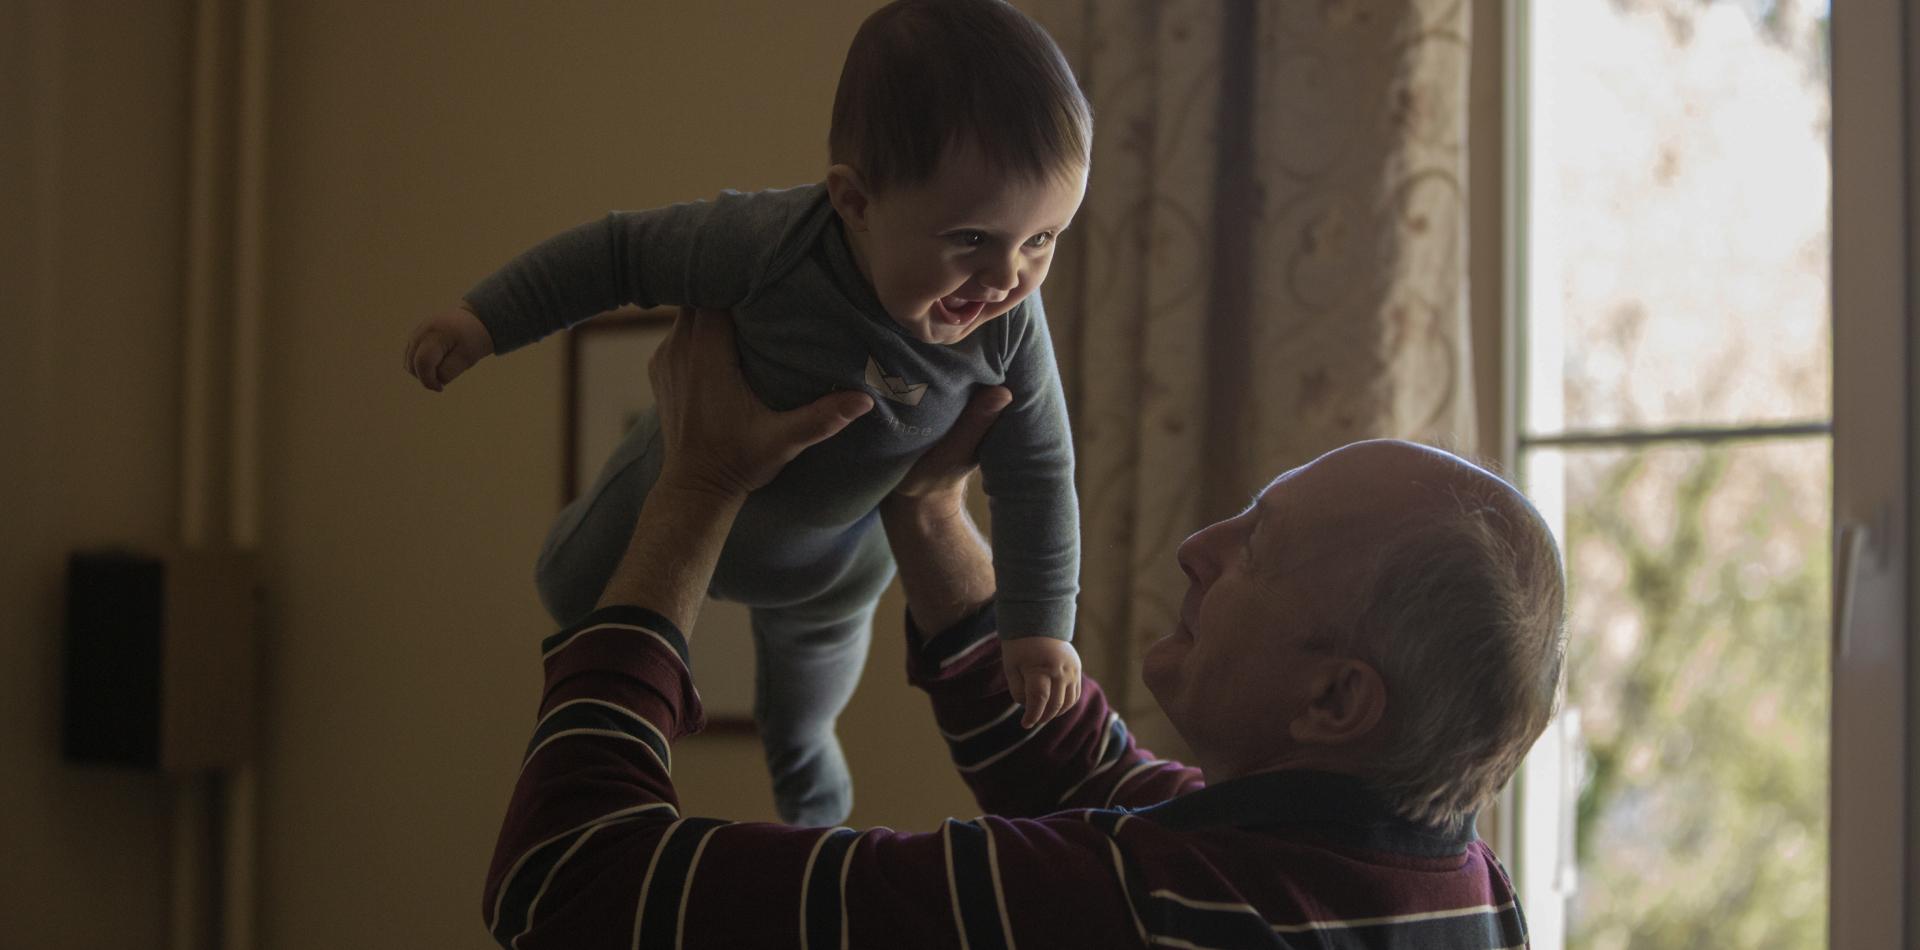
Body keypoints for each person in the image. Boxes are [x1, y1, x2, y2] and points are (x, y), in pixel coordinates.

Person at [481, 308, 1568, 949]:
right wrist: (927, 507)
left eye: (1259, 546)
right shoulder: (1460, 887)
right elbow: (1075, 766)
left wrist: (697, 483)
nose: (1202, 544)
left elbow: (569, 882)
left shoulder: (1136, 904)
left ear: (1336, 699)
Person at [403, 0, 1089, 828]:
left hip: (833, 569)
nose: (1009, 277)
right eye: (972, 237)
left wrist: (1040, 629)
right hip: (673, 485)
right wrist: (481, 321)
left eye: (1044, 239)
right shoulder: (769, 243)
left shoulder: (1011, 328)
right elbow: (617, 254)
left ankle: (814, 822)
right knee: (567, 590)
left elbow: (1038, 473)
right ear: (856, 202)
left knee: (801, 719)